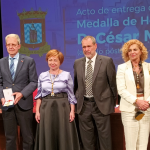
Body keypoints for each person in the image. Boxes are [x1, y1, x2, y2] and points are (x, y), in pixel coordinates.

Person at [74, 36, 117, 150]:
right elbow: (75, 85)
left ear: (95, 46)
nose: (86, 49)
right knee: (87, 140)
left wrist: (112, 103)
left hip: (101, 105)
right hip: (83, 106)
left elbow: (113, 84)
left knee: (105, 139)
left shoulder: (107, 61)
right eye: (84, 47)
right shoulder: (77, 63)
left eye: (89, 46)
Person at [34, 49, 80, 150]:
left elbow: (71, 95)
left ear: (60, 62)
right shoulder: (42, 75)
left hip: (62, 107)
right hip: (46, 107)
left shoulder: (66, 75)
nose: (52, 63)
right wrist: (37, 111)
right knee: (48, 132)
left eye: (55, 60)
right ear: (47, 61)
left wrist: (72, 111)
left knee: (63, 133)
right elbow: (39, 95)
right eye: (50, 60)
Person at [0, 34, 38, 150]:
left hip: (24, 103)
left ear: (19, 46)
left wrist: (22, 93)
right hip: (7, 104)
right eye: (9, 45)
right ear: (6, 46)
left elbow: (34, 82)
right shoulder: (1, 62)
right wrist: (1, 96)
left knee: (27, 137)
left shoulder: (28, 61)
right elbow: (0, 83)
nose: (11, 47)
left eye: (13, 44)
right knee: (10, 137)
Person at [116, 39, 150, 150]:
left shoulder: (148, 67)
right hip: (129, 109)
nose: (132, 52)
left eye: (135, 49)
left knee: (143, 144)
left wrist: (147, 103)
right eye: (129, 50)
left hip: (146, 108)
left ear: (141, 51)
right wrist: (137, 101)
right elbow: (121, 89)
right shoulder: (122, 68)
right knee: (131, 145)